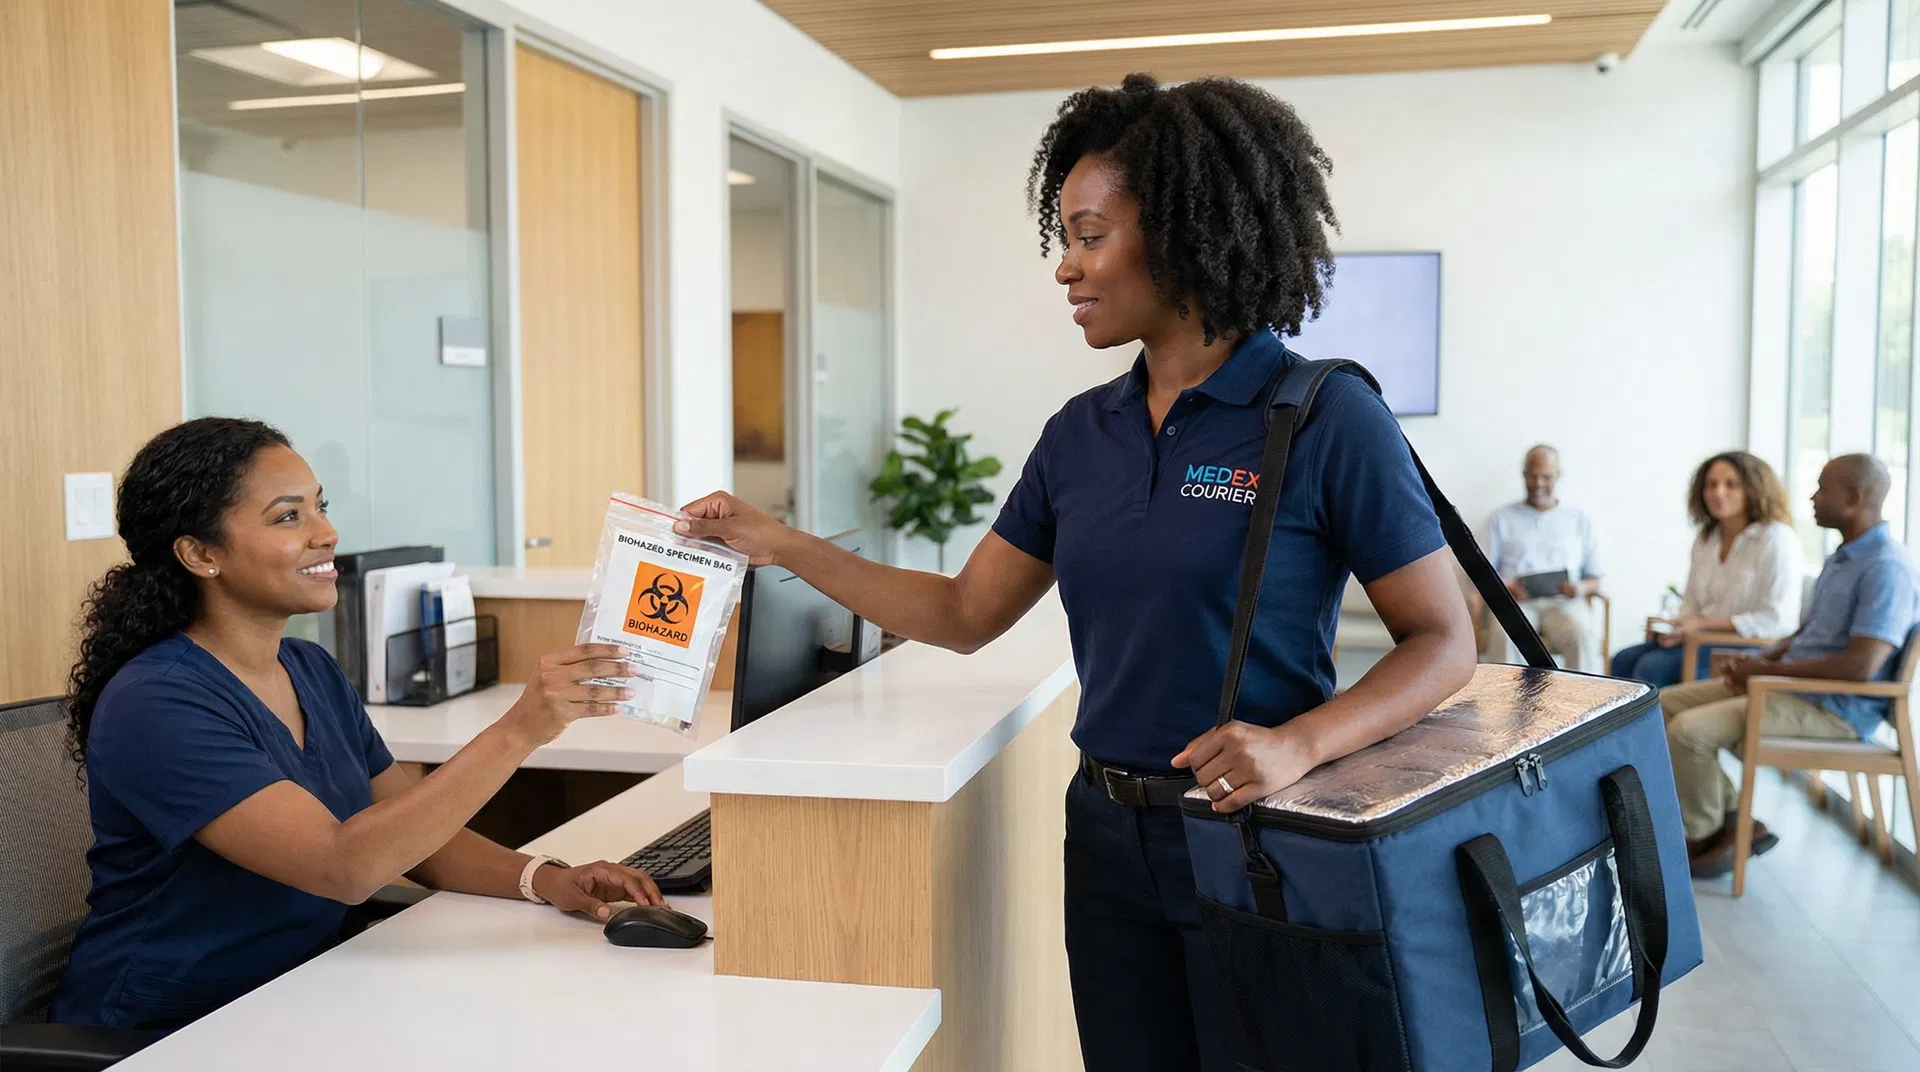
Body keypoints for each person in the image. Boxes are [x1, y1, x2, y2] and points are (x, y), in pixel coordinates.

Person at [671, 74, 1478, 1072]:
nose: (1066, 267)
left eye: (1090, 236)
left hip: (1255, 838)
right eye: (1067, 238)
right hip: (1104, 836)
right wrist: (781, 542)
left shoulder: (1323, 417)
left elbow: (1444, 640)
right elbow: (964, 611)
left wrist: (1298, 744)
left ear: (1180, 236)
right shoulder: (1079, 435)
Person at [50, 418, 666, 1032]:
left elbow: (420, 836)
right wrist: (519, 730)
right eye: (287, 517)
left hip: (309, 993)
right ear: (201, 554)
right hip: (172, 1030)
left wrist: (547, 880)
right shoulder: (156, 702)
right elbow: (343, 867)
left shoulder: (309, 668)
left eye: (320, 508)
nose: (326, 534)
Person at [1659, 454, 1920, 879]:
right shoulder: (1843, 558)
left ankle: (1702, 837)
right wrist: (1764, 659)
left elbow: (1861, 666)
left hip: (1832, 708)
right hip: (1787, 688)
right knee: (1660, 707)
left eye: (1822, 488)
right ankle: (1734, 824)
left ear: (1854, 498)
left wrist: (1768, 673)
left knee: (1688, 733)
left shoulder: (1885, 568)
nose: (1813, 497)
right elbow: (1807, 632)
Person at [1611, 452, 1801, 686]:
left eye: (1731, 484)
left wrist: (1702, 626)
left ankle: (1660, 712)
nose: (1718, 493)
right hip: (1699, 638)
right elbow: (1691, 601)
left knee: (1651, 667)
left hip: (1745, 646)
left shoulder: (1777, 539)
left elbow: (1777, 620)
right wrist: (1675, 627)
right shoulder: (1706, 538)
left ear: (1754, 489)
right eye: (1711, 485)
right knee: (1622, 660)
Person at [1481, 445, 1606, 670]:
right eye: (1532, 476)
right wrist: (1506, 588)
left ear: (1558, 476)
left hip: (1564, 603)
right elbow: (1482, 573)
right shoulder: (1501, 518)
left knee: (1583, 634)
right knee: (1505, 633)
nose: (1538, 484)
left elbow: (1595, 578)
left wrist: (1579, 588)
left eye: (1546, 477)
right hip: (1516, 603)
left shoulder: (1578, 519)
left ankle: (1582, 693)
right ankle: (1508, 695)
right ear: (1524, 475)